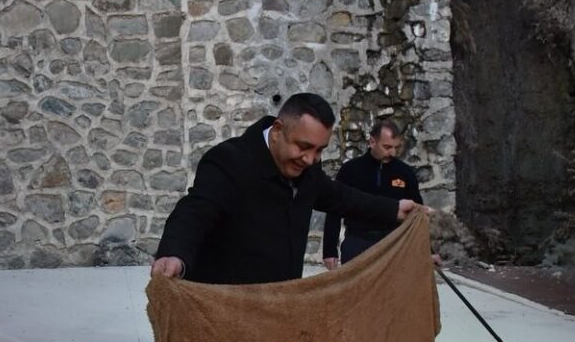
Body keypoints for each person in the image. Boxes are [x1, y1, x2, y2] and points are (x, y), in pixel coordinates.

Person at [152, 93, 416, 284]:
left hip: (278, 308)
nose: (310, 159)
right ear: (278, 130)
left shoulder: (308, 169)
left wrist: (394, 209)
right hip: (225, 309)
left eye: (319, 150)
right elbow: (195, 210)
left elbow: (340, 197)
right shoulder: (229, 161)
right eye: (303, 147)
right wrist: (173, 253)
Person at [323, 120, 423, 269]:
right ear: (372, 142)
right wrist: (329, 250)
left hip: (394, 245)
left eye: (396, 148)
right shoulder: (350, 170)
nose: (393, 153)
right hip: (357, 243)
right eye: (387, 147)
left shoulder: (405, 173)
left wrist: (428, 251)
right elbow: (334, 209)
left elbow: (418, 215)